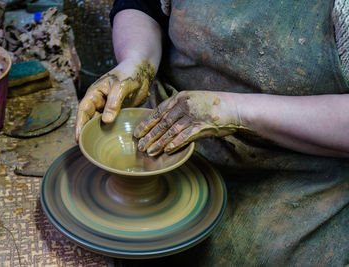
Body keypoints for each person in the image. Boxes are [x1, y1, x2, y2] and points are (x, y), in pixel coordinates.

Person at [75, 0, 349, 266]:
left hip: (292, 164)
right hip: (173, 113)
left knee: (259, 251)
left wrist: (234, 111)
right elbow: (142, 4)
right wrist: (137, 62)